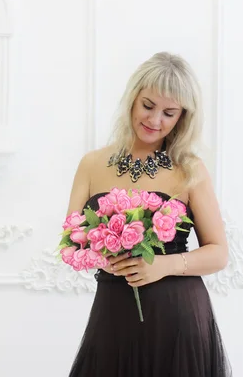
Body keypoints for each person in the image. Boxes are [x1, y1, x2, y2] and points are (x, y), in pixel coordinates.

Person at [65, 51, 232, 376]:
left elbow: (219, 253)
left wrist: (161, 265)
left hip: (178, 318)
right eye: (148, 106)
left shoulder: (190, 169)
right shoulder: (92, 164)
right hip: (114, 313)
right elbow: (71, 243)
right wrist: (107, 255)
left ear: (183, 117)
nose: (155, 120)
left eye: (169, 113)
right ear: (132, 98)